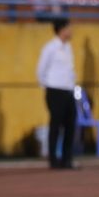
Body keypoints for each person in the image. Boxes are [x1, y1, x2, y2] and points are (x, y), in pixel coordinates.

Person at [37, 18, 76, 169]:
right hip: (55, 90)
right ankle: (53, 160)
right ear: (61, 29)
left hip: (68, 90)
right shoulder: (50, 48)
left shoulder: (68, 47)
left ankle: (67, 159)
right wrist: (47, 85)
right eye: (68, 28)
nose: (71, 31)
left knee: (70, 125)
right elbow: (41, 69)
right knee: (55, 125)